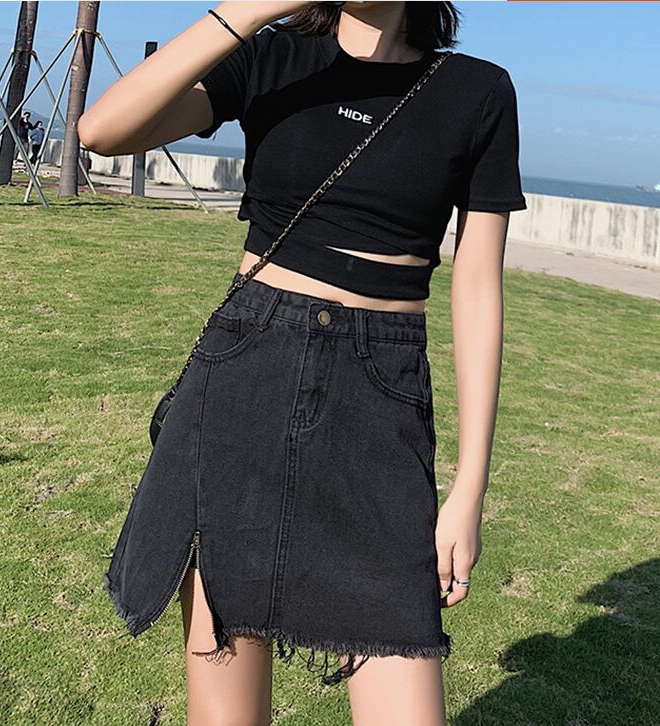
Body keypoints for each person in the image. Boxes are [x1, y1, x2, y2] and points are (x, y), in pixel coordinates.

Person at [79, 2, 527, 724]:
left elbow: (478, 287)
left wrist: (469, 486)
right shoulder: (271, 58)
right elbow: (102, 131)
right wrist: (252, 9)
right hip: (247, 372)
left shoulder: (477, 91)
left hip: (380, 391)